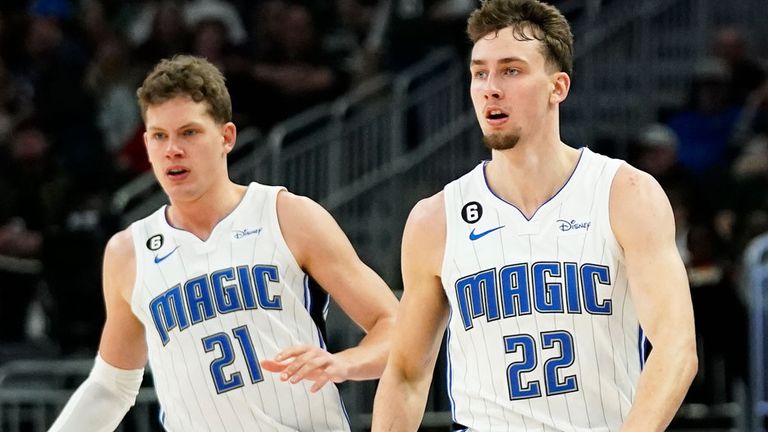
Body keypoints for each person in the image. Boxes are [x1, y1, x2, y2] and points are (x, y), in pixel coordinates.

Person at [371, 0, 697, 430]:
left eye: (511, 70)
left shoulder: (625, 193)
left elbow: (676, 348)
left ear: (557, 86)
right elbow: (407, 375)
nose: (490, 87)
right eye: (479, 72)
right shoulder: (435, 218)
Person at [49, 55, 398, 431]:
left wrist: (347, 362)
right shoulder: (128, 252)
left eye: (189, 132)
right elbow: (111, 387)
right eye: (160, 136)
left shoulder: (288, 216)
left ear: (226, 137)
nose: (173, 150)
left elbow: (394, 324)